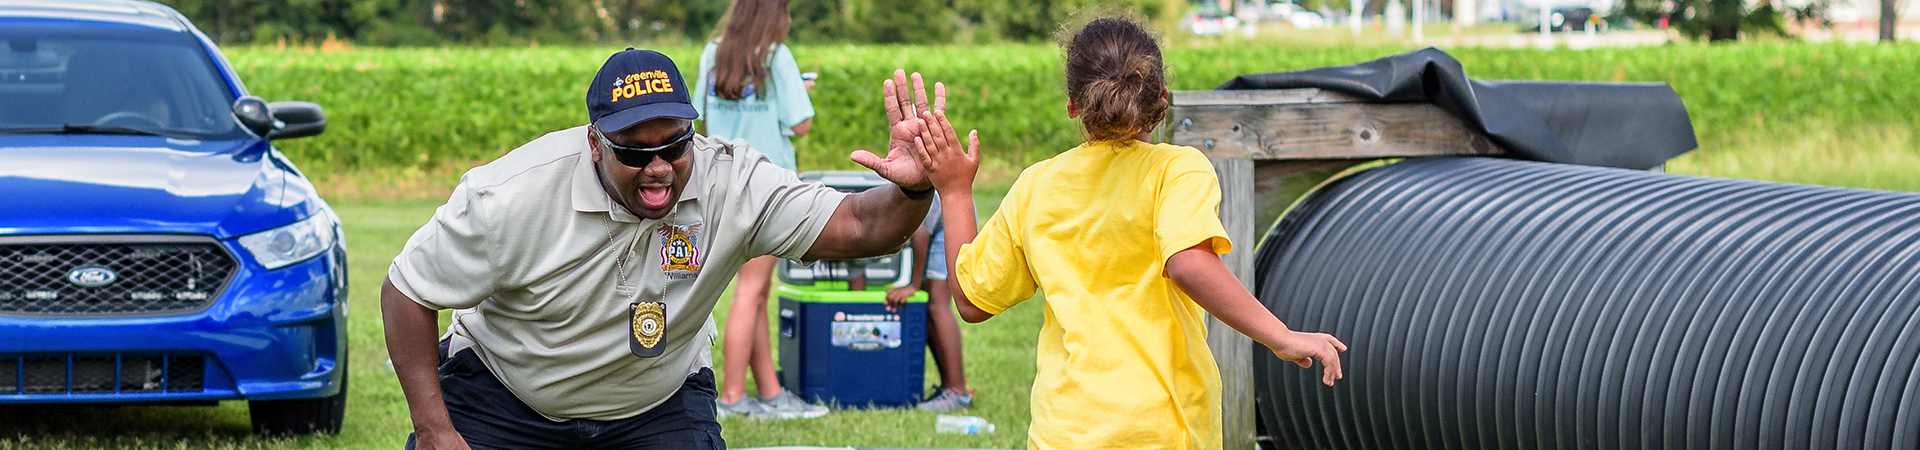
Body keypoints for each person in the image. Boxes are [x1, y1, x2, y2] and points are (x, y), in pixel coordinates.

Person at [381, 48, 961, 450]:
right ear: (594, 142)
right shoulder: (509, 194)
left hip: (655, 405)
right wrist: (434, 429)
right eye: (634, 152)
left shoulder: (731, 180)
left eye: (675, 144)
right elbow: (407, 289)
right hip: (505, 393)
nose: (658, 168)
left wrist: (910, 186)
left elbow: (861, 225)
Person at [905, 16, 1348, 449]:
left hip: (1065, 431)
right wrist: (1283, 337)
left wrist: (956, 190)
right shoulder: (1178, 170)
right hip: (1161, 429)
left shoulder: (1036, 184)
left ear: (1073, 105)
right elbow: (1188, 263)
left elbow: (971, 300)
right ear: (1162, 100)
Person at [688, 0, 824, 420]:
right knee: (750, 292)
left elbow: (701, 121)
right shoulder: (776, 57)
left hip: (723, 183)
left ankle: (769, 392)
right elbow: (801, 124)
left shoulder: (713, 53)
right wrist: (797, 89)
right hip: (767, 186)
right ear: (774, 15)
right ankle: (731, 398)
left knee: (757, 291)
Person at [883, 196, 971, 411]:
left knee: (937, 303)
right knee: (927, 308)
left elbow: (920, 234)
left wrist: (913, 285)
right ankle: (948, 387)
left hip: (950, 220)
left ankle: (957, 392)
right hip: (937, 219)